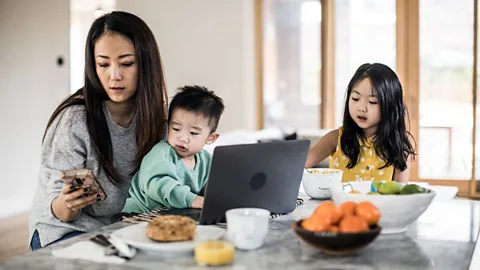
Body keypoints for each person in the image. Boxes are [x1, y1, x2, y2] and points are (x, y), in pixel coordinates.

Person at [29, 11, 168, 250]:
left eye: (126, 63)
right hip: (67, 231)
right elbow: (61, 213)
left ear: (146, 64)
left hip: (122, 230)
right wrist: (69, 202)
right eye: (103, 64)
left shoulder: (160, 119)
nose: (114, 75)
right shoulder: (75, 120)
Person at [305, 63, 415, 183]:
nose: (361, 108)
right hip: (340, 202)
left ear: (390, 106)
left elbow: (399, 192)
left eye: (373, 101)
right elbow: (299, 165)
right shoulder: (335, 138)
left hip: (380, 203)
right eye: (355, 99)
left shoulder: (399, 146)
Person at [122, 85, 225, 213]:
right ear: (168, 126)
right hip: (138, 214)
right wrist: (191, 199)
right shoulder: (161, 153)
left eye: (193, 133)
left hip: (170, 215)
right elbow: (158, 185)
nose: (183, 138)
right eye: (176, 129)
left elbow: (210, 190)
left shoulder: (206, 160)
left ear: (211, 138)